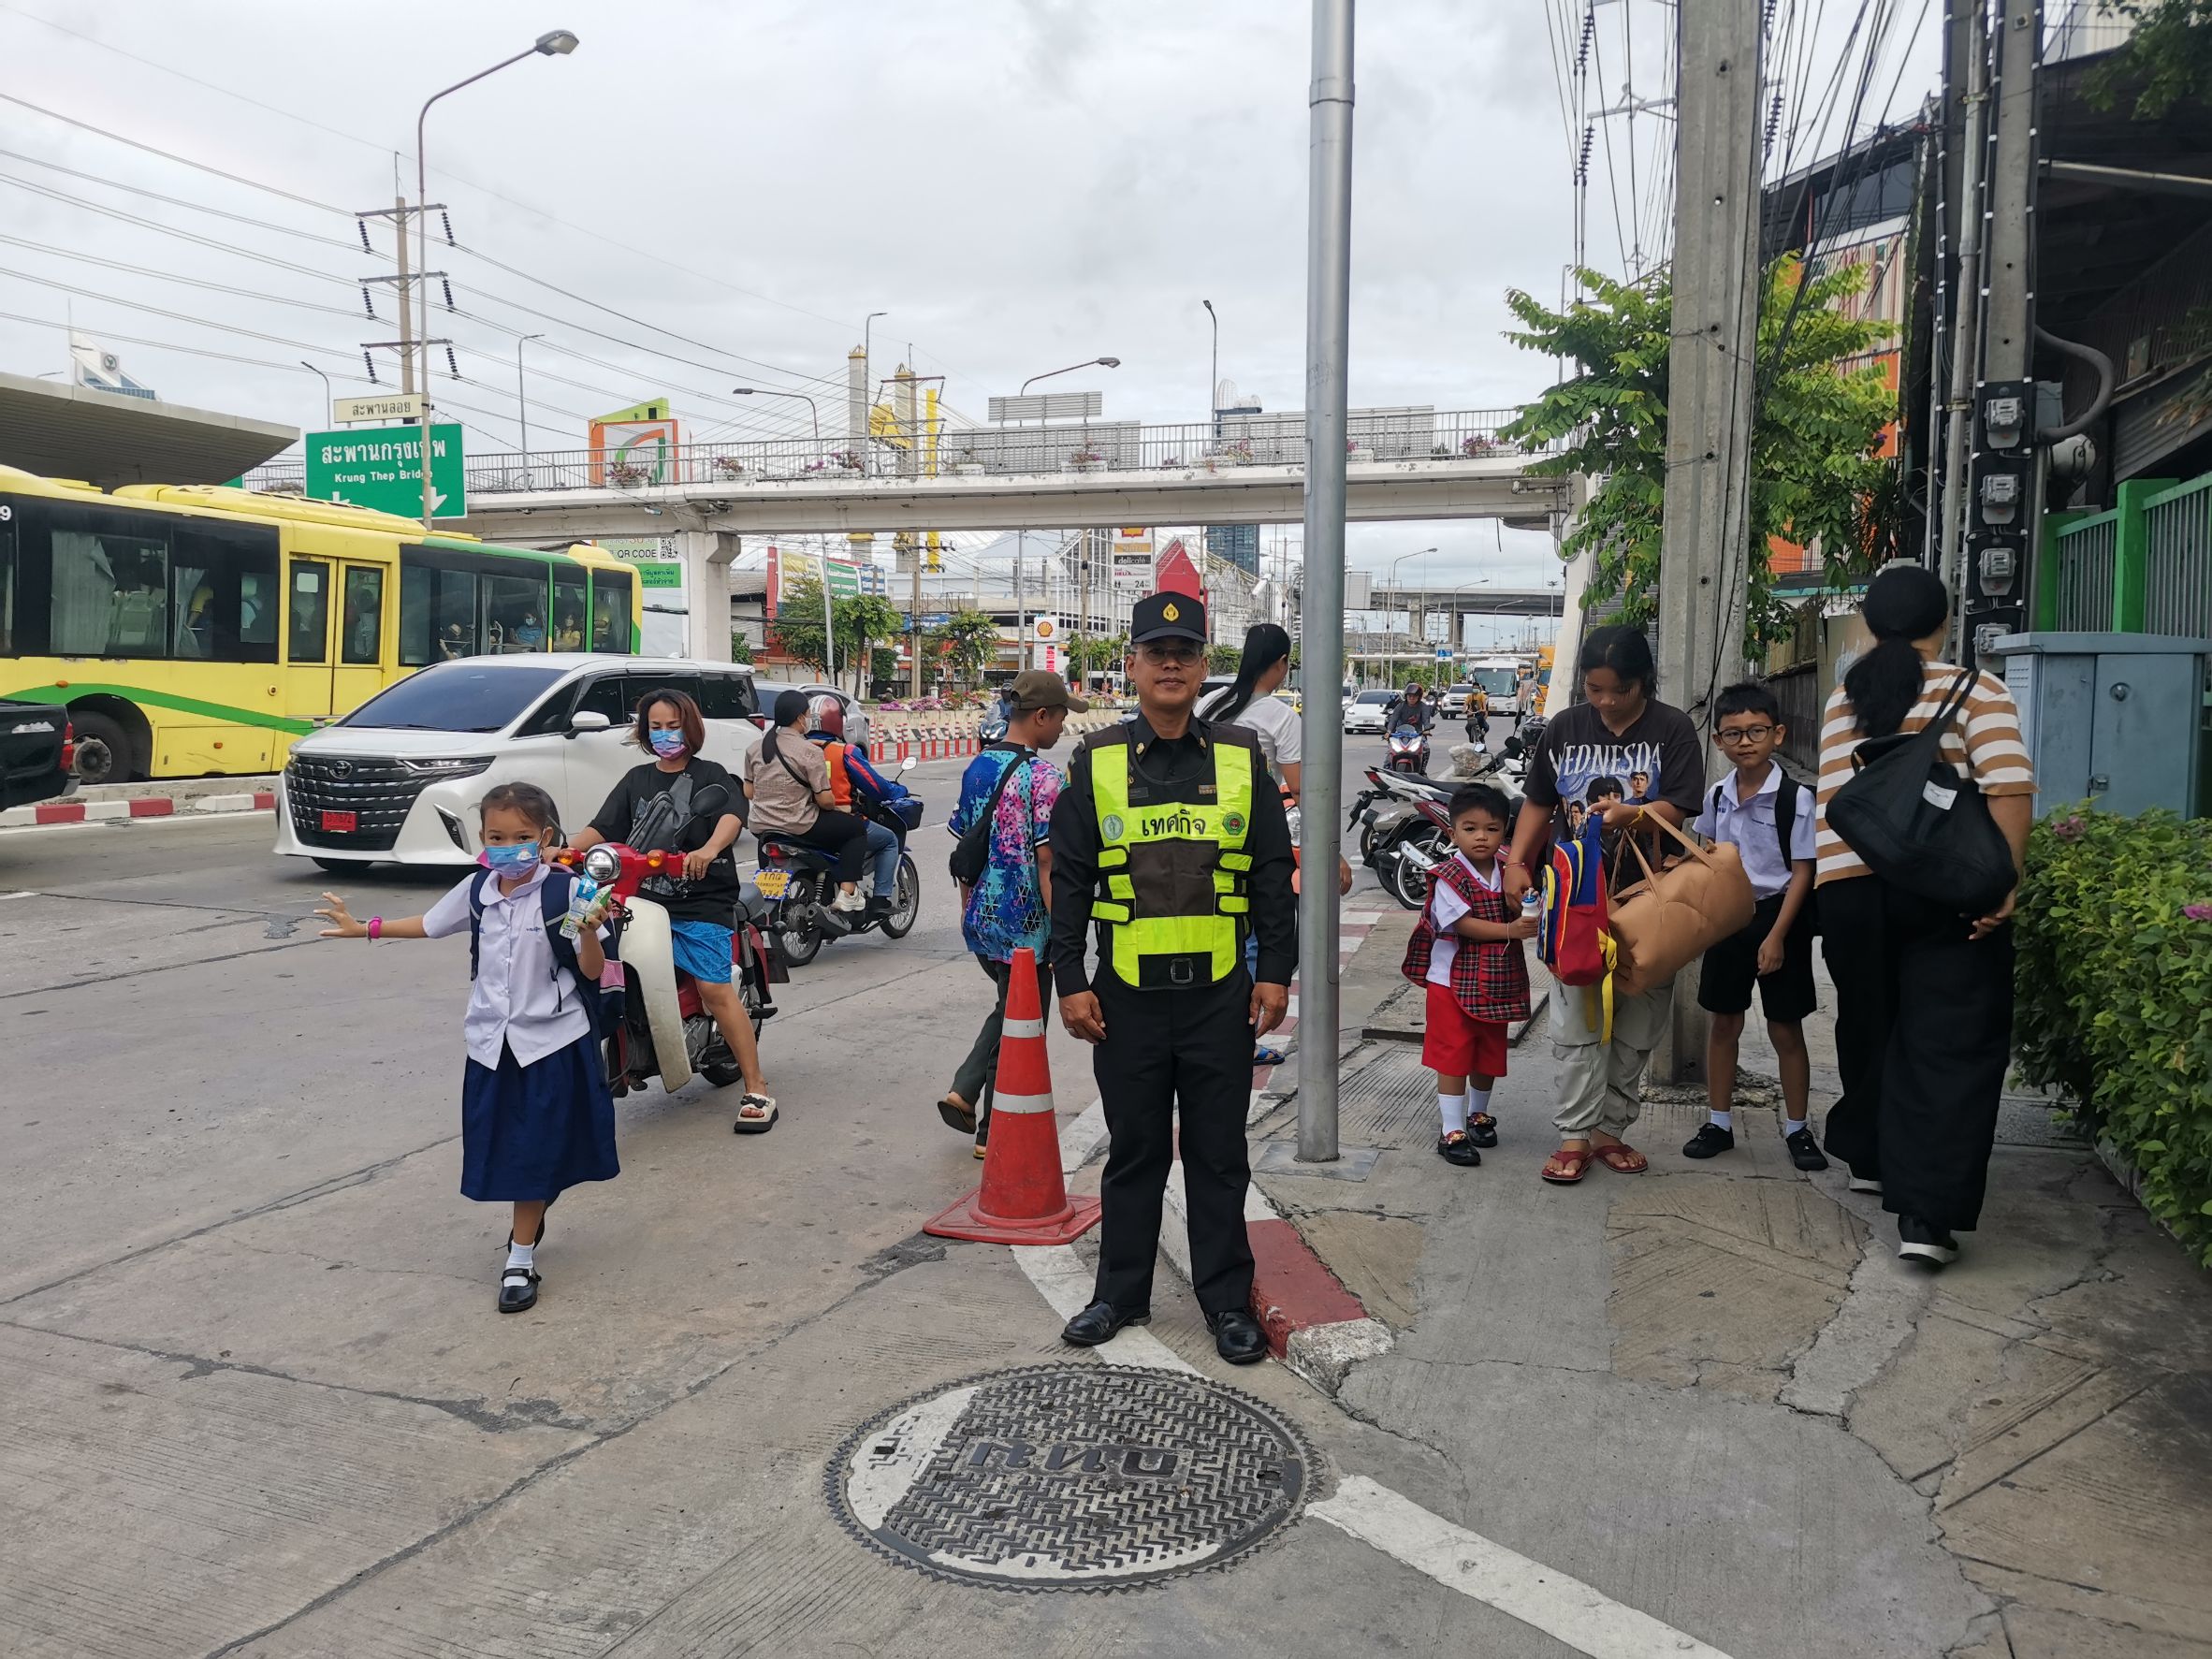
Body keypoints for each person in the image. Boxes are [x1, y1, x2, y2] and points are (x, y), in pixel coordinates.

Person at [1050, 592, 1296, 1365]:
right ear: (1131, 664)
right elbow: (1071, 877)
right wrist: (1069, 977)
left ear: (1201, 666)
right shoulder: (1096, 760)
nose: (1170, 664)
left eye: (1184, 652)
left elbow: (1271, 871)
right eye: (1156, 651)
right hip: (1126, 999)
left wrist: (1276, 972)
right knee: (1135, 1152)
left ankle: (1226, 1300)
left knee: (1219, 1156)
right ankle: (1120, 1293)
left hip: (1220, 996)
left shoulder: (1242, 757)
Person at [314, 782, 618, 1315]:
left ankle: (519, 1258)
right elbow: (430, 924)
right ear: (481, 838)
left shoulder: (570, 892)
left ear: (545, 836)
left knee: (533, 1153)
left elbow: (592, 971)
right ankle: (533, 1209)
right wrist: (364, 928)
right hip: (491, 1045)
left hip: (551, 1042)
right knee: (514, 1149)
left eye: (521, 837)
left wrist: (591, 931)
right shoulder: (478, 889)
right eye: (496, 837)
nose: (508, 847)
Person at [1815, 564, 2032, 1269]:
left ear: (1871, 626)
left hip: (1847, 888)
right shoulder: (1977, 690)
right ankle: (1926, 1215)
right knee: (1948, 1041)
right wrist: (2005, 880)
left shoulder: (1843, 700)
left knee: (1870, 1021)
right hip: (1941, 888)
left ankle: (1871, 1156)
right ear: (1944, 622)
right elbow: (2008, 789)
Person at [1504, 625, 1703, 1186]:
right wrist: (1516, 861)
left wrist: (1634, 814)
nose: (1607, 702)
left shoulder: (1672, 728)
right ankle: (1574, 1133)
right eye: (1595, 690)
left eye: (1620, 690)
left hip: (1651, 900)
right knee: (1575, 1019)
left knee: (1639, 1022)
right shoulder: (1565, 727)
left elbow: (1680, 806)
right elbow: (1539, 801)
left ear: (1644, 682)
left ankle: (1609, 1131)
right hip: (1575, 900)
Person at [568, 688, 778, 1130]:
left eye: (673, 726)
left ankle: (756, 1087)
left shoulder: (710, 774)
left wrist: (708, 849)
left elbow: (731, 815)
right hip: (643, 900)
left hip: (701, 902)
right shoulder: (637, 780)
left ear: (690, 728)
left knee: (714, 990)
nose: (665, 734)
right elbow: (602, 826)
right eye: (656, 727)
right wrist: (564, 851)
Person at [1681, 680, 1825, 1171]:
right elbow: (1704, 856)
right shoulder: (1717, 796)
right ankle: (1719, 1123)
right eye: (1733, 733)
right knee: (1724, 1022)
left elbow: (1802, 872)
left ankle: (1798, 1129)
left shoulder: (1795, 799)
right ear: (1718, 740)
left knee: (1785, 1027)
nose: (1745, 742)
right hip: (1728, 919)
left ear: (1777, 734)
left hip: (1780, 915)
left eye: (1756, 731)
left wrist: (1777, 936)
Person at [938, 670, 1082, 1157]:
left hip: (983, 917)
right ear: (1040, 716)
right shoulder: (1045, 778)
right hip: (1028, 925)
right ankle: (991, 1133)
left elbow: (966, 852)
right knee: (1024, 1024)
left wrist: (967, 912)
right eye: (1060, 717)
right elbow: (1047, 862)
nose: (1062, 727)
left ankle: (965, 1090)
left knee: (1009, 1009)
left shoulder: (978, 767)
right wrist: (1063, 934)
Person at [1200, 620, 1353, 1063]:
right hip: (1254, 843)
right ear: (1283, 663)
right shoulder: (1278, 716)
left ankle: (1218, 1035)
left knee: (1222, 939)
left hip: (1201, 838)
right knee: (1261, 944)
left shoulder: (1211, 703)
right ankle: (1238, 1040)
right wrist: (1334, 853)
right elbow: (1302, 792)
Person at [1401, 783, 1536, 1167]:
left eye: (1492, 829)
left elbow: (1528, 904)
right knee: (1453, 1054)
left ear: (1505, 831)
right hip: (1450, 982)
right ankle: (1451, 1130)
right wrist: (1512, 930)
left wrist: (1531, 909)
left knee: (1488, 1051)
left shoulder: (1509, 872)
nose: (1481, 837)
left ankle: (1478, 1115)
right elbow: (1462, 924)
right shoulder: (1448, 876)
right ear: (1452, 831)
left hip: (1496, 979)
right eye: (1470, 828)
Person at [742, 689, 870, 918]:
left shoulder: (754, 748)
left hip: (761, 826)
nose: (809, 719)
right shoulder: (810, 752)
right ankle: (849, 892)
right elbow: (825, 801)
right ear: (801, 717)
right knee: (856, 829)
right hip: (799, 824)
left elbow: (749, 792)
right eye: (809, 714)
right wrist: (839, 807)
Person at [806, 694, 909, 917]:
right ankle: (880, 899)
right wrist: (898, 791)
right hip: (838, 820)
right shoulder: (844, 751)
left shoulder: (796, 749)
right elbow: (876, 787)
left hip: (800, 821)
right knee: (889, 840)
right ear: (837, 721)